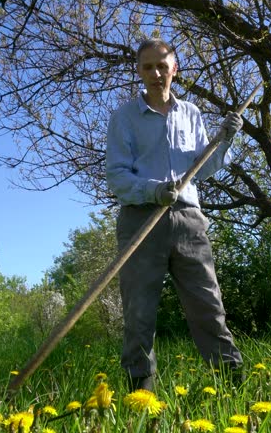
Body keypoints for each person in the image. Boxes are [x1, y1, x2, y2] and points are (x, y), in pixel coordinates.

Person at [105, 38, 244, 392]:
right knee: (139, 311)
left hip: (188, 221)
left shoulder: (192, 113)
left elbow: (203, 166)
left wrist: (225, 140)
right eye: (148, 66)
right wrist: (153, 190)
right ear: (139, 71)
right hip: (141, 219)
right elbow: (117, 177)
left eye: (162, 66)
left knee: (208, 304)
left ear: (174, 70)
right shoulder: (123, 118)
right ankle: (141, 394)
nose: (156, 73)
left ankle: (232, 385)